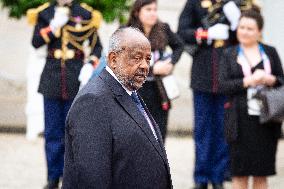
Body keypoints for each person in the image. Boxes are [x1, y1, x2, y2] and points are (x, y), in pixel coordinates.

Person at [62, 27, 172, 188]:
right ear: (113, 59)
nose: (144, 66)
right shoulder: (93, 101)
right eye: (137, 58)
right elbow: (92, 178)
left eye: (148, 59)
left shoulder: (130, 92)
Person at [30, 0, 102, 188]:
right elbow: (36, 42)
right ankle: (53, 176)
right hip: (52, 78)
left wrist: (90, 64)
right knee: (52, 131)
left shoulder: (85, 13)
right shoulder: (45, 12)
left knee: (74, 132)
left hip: (75, 78)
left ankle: (72, 177)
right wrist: (53, 26)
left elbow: (97, 46)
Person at [177, 1, 243, 188]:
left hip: (227, 76)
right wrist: (204, 33)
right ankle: (201, 177)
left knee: (223, 131)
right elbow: (182, 31)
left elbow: (245, 36)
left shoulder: (233, 4)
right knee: (203, 130)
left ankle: (218, 176)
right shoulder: (194, 3)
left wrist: (235, 20)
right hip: (203, 75)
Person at [218, 8, 284, 189]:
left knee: (261, 174)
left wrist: (271, 79)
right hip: (238, 120)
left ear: (259, 31)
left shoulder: (270, 52)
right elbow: (222, 85)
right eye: (241, 27)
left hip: (266, 119)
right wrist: (248, 81)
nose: (244, 32)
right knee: (239, 174)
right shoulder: (229, 54)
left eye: (249, 28)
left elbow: (281, 80)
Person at [126, 0, 184, 141]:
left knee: (158, 133)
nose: (153, 13)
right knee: (136, 135)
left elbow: (179, 46)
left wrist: (170, 63)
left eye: (155, 9)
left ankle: (158, 162)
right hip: (136, 89)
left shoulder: (163, 28)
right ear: (137, 12)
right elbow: (124, 61)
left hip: (159, 88)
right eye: (148, 9)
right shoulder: (127, 32)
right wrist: (152, 69)